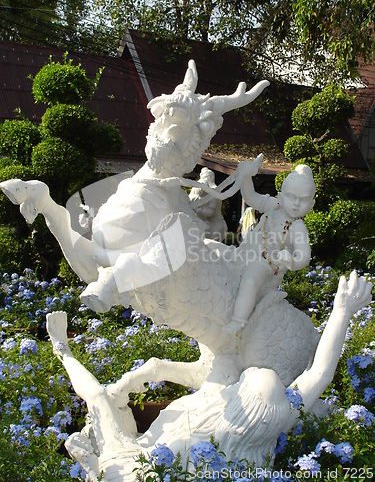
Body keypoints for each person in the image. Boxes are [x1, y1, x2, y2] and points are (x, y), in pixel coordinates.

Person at [45, 271, 372, 480]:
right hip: (152, 464)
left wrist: (342, 309)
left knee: (99, 397)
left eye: (246, 377)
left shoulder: (210, 436)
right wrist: (341, 311)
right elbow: (320, 373)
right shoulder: (278, 421)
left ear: (237, 401)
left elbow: (320, 374)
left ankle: (62, 348)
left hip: (132, 472)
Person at [225, 163, 316, 334]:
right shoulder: (272, 205)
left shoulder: (297, 227)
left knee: (250, 280)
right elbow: (250, 197)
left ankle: (238, 321)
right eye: (291, 197)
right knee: (216, 252)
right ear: (281, 197)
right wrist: (245, 177)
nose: (296, 204)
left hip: (267, 266)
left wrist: (292, 260)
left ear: (311, 205)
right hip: (244, 253)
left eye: (303, 200)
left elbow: (304, 256)